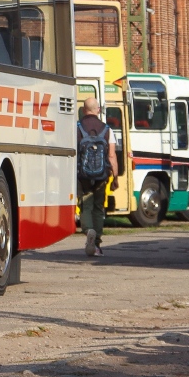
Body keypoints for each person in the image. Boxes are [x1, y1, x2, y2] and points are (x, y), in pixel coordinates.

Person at [77, 96, 118, 257]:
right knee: (99, 208)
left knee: (85, 205)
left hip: (83, 175)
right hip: (102, 175)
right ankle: (97, 245)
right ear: (98, 110)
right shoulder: (107, 130)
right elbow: (112, 156)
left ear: (83, 110)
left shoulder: (77, 128)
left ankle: (88, 230)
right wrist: (115, 177)